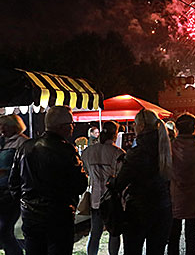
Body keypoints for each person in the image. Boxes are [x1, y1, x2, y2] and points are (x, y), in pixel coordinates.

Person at [9, 106, 88, 255]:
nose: (73, 127)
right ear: (61, 127)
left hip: (31, 217)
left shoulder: (25, 147)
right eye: (71, 123)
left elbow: (14, 183)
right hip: (59, 217)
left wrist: (25, 202)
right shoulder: (67, 150)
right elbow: (80, 184)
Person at [114, 109, 172, 255]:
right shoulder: (166, 147)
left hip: (139, 210)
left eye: (135, 124)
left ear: (141, 126)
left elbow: (120, 182)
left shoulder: (137, 153)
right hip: (163, 208)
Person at [81, 121, 125, 255]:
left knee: (95, 234)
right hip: (112, 199)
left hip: (95, 199)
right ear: (115, 135)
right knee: (114, 233)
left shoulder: (88, 152)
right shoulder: (118, 153)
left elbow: (86, 171)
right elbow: (121, 177)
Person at [168, 113, 195, 255]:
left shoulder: (171, 147)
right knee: (192, 236)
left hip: (175, 194)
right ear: (193, 128)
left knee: (173, 236)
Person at [0, 115, 28, 255]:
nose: (2, 129)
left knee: (4, 228)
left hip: (11, 192)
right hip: (2, 190)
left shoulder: (22, 142)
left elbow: (24, 168)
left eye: (5, 125)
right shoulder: (4, 142)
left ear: (14, 126)